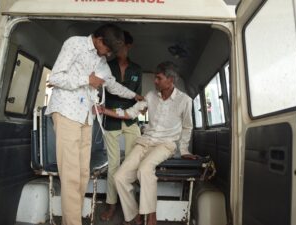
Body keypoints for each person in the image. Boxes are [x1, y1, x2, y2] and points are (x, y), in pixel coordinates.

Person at [45, 24, 143, 225]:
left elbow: (113, 85)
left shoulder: (101, 61)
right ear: (98, 39)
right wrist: (86, 79)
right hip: (66, 112)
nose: (108, 55)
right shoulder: (74, 44)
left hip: (85, 116)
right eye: (107, 49)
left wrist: (135, 95)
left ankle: (69, 221)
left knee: (82, 174)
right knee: (71, 175)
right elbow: (55, 77)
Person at [101, 61, 197, 225]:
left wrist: (184, 150)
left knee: (145, 169)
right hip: (145, 141)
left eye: (158, 78)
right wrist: (105, 111)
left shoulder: (185, 101)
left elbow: (187, 127)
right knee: (119, 177)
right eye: (155, 78)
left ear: (170, 80)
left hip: (165, 144)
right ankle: (133, 216)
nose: (155, 81)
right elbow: (130, 113)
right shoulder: (151, 96)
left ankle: (151, 216)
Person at [100, 31, 143, 221]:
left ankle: (130, 205)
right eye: (116, 45)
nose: (118, 48)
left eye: (122, 45)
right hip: (111, 120)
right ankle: (111, 204)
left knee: (132, 163)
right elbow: (103, 91)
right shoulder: (106, 66)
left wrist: (139, 108)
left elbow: (138, 96)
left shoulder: (137, 69)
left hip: (131, 120)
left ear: (129, 46)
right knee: (113, 165)